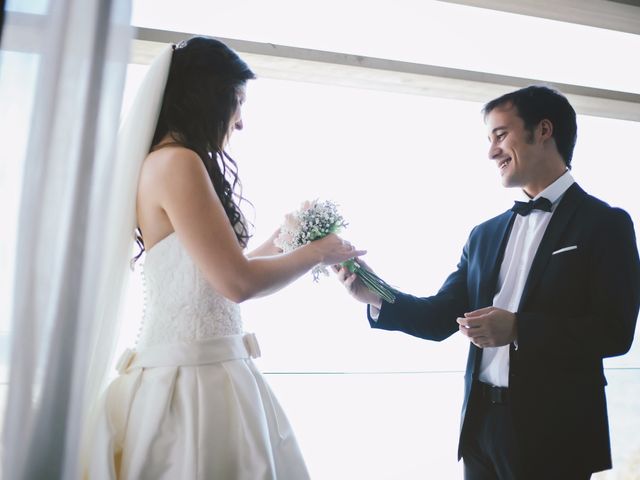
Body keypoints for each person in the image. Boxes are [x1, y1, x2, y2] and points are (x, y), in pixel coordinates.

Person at [87, 36, 364, 480]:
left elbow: (209, 273)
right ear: (206, 98)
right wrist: (318, 252)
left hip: (193, 364)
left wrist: (284, 238)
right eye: (236, 102)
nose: (240, 121)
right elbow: (237, 284)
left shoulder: (160, 161)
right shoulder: (179, 163)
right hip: (194, 379)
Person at [335, 85, 640, 479]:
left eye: (500, 135)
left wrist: (517, 328)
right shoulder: (484, 234)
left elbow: (614, 333)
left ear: (544, 130)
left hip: (556, 434)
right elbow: (439, 317)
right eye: (489, 139)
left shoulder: (605, 223)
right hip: (480, 429)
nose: (491, 151)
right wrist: (374, 293)